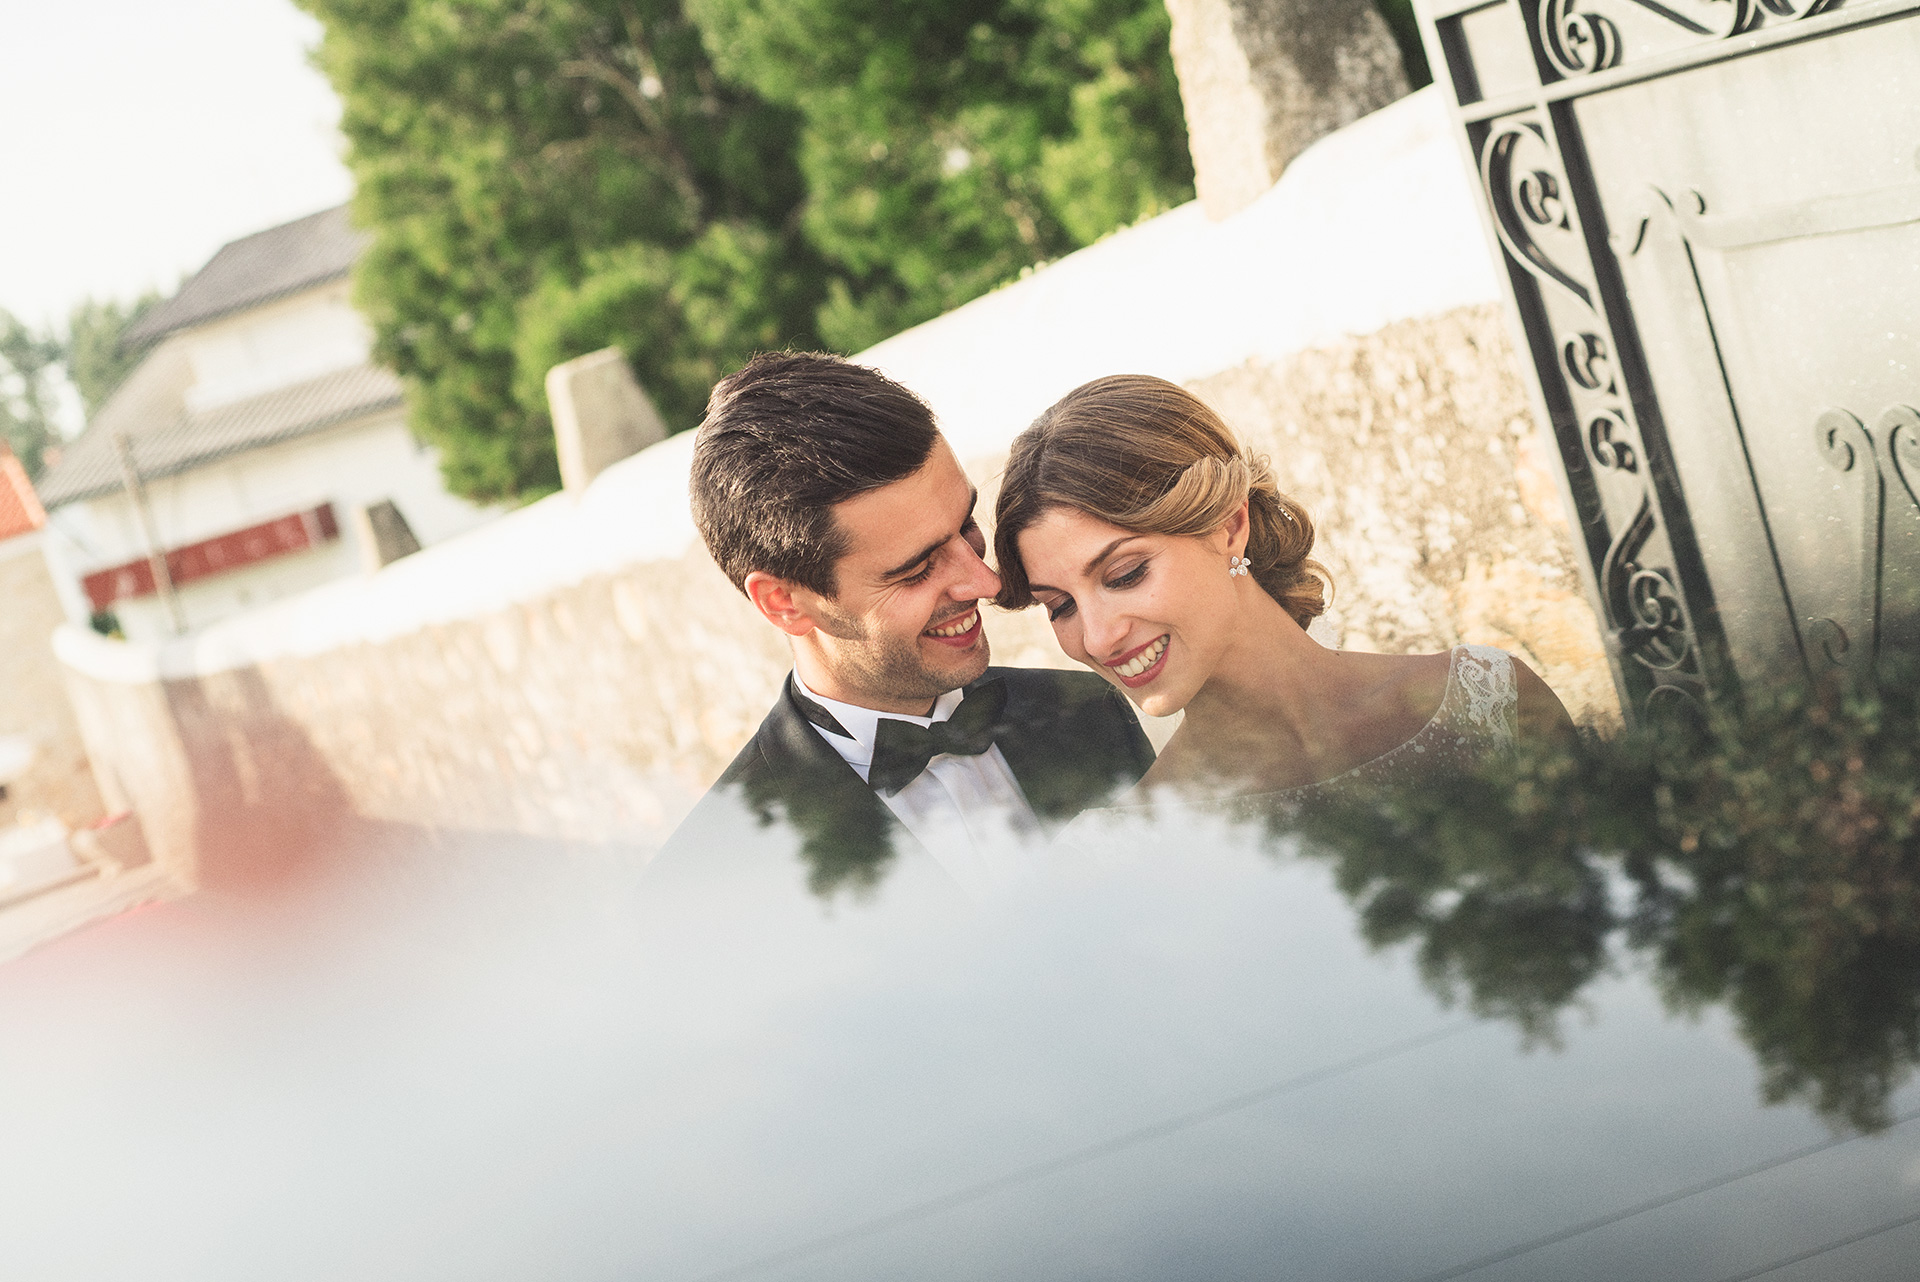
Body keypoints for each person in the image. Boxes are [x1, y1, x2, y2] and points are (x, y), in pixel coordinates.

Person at [657, 352, 1155, 896]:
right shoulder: (708, 884)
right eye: (917, 570)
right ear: (784, 602)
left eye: (966, 526)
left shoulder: (1088, 712)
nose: (985, 583)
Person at [991, 375, 1575, 805]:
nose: (1097, 637)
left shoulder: (1489, 701)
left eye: (1124, 575)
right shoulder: (1131, 851)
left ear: (1228, 526)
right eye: (1059, 606)